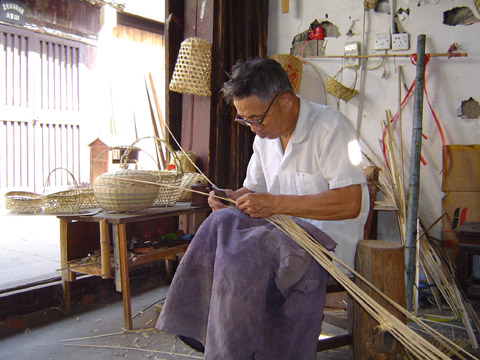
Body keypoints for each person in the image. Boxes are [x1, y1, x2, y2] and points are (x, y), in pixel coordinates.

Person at [156, 57, 369, 359]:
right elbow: (254, 189)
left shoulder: (331, 127)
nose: (253, 128)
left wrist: (275, 203)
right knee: (220, 224)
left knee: (244, 255)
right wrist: (230, 196)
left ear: (284, 100)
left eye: (257, 118)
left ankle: (236, 348)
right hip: (280, 230)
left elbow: (350, 203)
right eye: (246, 120)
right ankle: (201, 328)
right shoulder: (266, 136)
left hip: (324, 241)